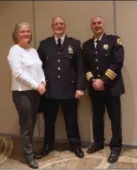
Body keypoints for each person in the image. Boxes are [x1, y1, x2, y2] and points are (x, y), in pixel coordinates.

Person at [37, 16, 85, 158]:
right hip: (49, 90)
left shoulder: (75, 44)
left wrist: (80, 87)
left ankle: (75, 145)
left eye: (61, 23)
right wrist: (40, 83)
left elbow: (80, 67)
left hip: (69, 90)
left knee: (71, 120)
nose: (59, 26)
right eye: (56, 24)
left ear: (65, 26)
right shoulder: (44, 44)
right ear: (52, 27)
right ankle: (47, 146)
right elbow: (38, 67)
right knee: (49, 121)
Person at [82, 16, 125, 163]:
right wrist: (92, 80)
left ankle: (116, 147)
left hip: (111, 88)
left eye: (99, 23)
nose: (96, 25)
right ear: (91, 26)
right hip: (95, 88)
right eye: (94, 23)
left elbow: (117, 63)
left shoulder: (114, 41)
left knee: (115, 119)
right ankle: (98, 142)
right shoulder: (86, 45)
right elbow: (85, 67)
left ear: (103, 24)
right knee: (97, 117)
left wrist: (103, 81)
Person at [7, 22, 46, 169]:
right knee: (26, 125)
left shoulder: (33, 51)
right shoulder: (14, 50)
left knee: (31, 123)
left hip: (35, 92)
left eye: (28, 32)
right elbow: (17, 73)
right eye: (23, 32)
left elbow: (39, 70)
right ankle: (28, 155)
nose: (26, 34)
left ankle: (29, 150)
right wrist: (37, 85)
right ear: (17, 34)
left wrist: (42, 82)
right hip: (22, 93)